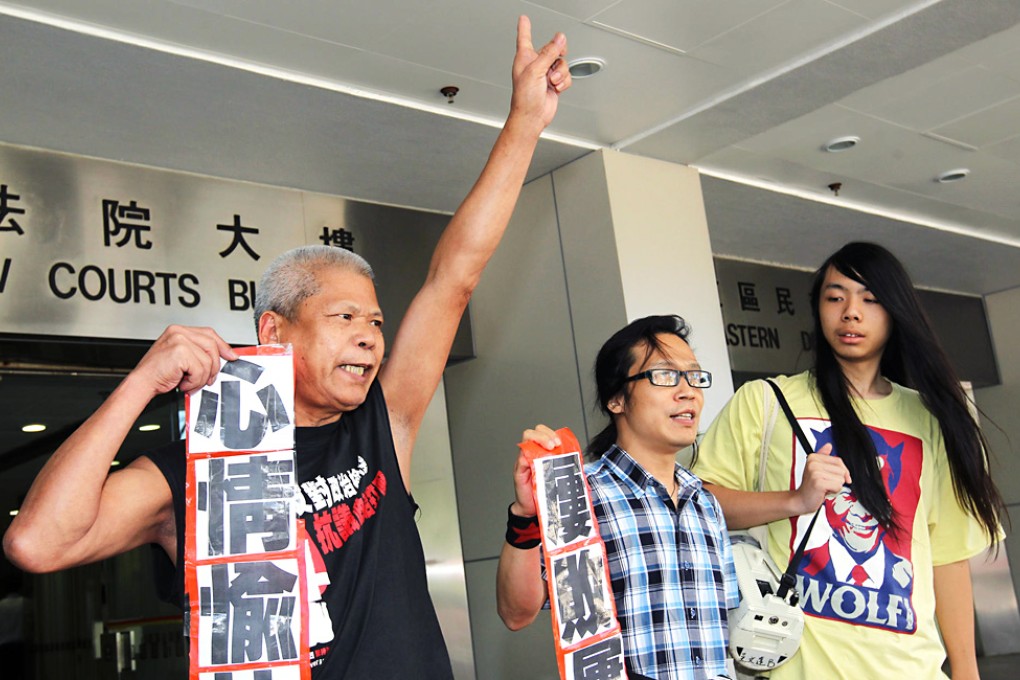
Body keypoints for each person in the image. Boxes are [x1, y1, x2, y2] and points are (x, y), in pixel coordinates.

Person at [2, 15, 571, 679]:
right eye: (344, 316)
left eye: (376, 321)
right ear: (274, 331)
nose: (369, 335)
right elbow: (37, 544)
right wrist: (139, 385)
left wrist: (524, 123)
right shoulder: (200, 470)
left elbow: (454, 278)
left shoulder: (380, 423)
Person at [695, 242, 1005, 680]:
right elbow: (699, 506)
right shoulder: (766, 402)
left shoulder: (930, 420)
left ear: (894, 312)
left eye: (870, 299)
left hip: (912, 669)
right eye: (835, 297)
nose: (851, 313)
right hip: (799, 668)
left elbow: (949, 557)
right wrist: (794, 500)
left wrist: (967, 671)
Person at [496, 315, 740, 680]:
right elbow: (517, 613)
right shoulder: (581, 494)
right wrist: (525, 514)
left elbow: (725, 627)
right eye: (665, 375)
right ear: (616, 399)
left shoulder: (705, 504)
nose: (688, 390)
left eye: (694, 376)